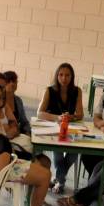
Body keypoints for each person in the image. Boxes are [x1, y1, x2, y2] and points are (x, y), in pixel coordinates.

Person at [38, 63, 84, 192]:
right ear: (57, 76)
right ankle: (61, 182)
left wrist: (71, 117)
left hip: (71, 128)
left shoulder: (77, 91)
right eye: (61, 75)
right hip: (54, 129)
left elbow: (80, 114)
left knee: (73, 153)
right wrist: (57, 117)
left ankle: (58, 179)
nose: (64, 78)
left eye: (67, 75)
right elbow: (39, 113)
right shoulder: (49, 90)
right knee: (58, 155)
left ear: (72, 77)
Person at [3, 70, 32, 137]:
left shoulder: (18, 100)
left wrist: (28, 133)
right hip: (6, 136)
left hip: (19, 134)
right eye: (8, 81)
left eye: (14, 81)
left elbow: (24, 122)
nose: (12, 84)